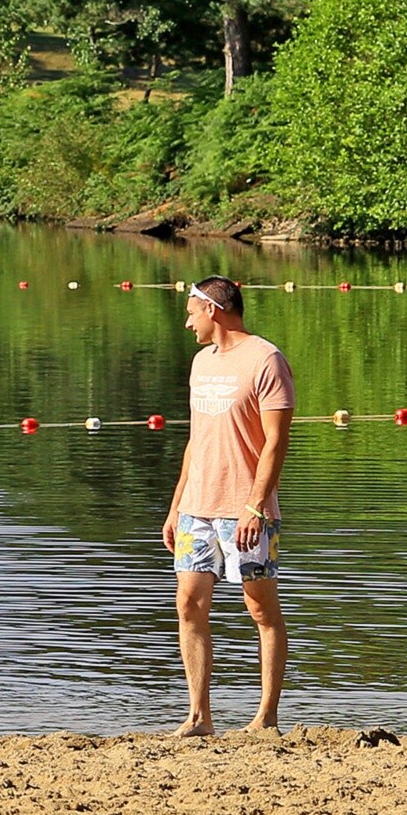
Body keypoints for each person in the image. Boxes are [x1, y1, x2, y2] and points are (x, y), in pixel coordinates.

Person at [161, 274, 293, 735]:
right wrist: (176, 505)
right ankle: (199, 716)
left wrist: (255, 505)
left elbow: (276, 441)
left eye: (191, 313)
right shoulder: (201, 362)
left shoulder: (266, 359)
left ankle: (265, 717)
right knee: (188, 604)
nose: (187, 323)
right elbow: (196, 439)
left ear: (212, 310)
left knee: (261, 609)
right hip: (197, 507)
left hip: (246, 510)